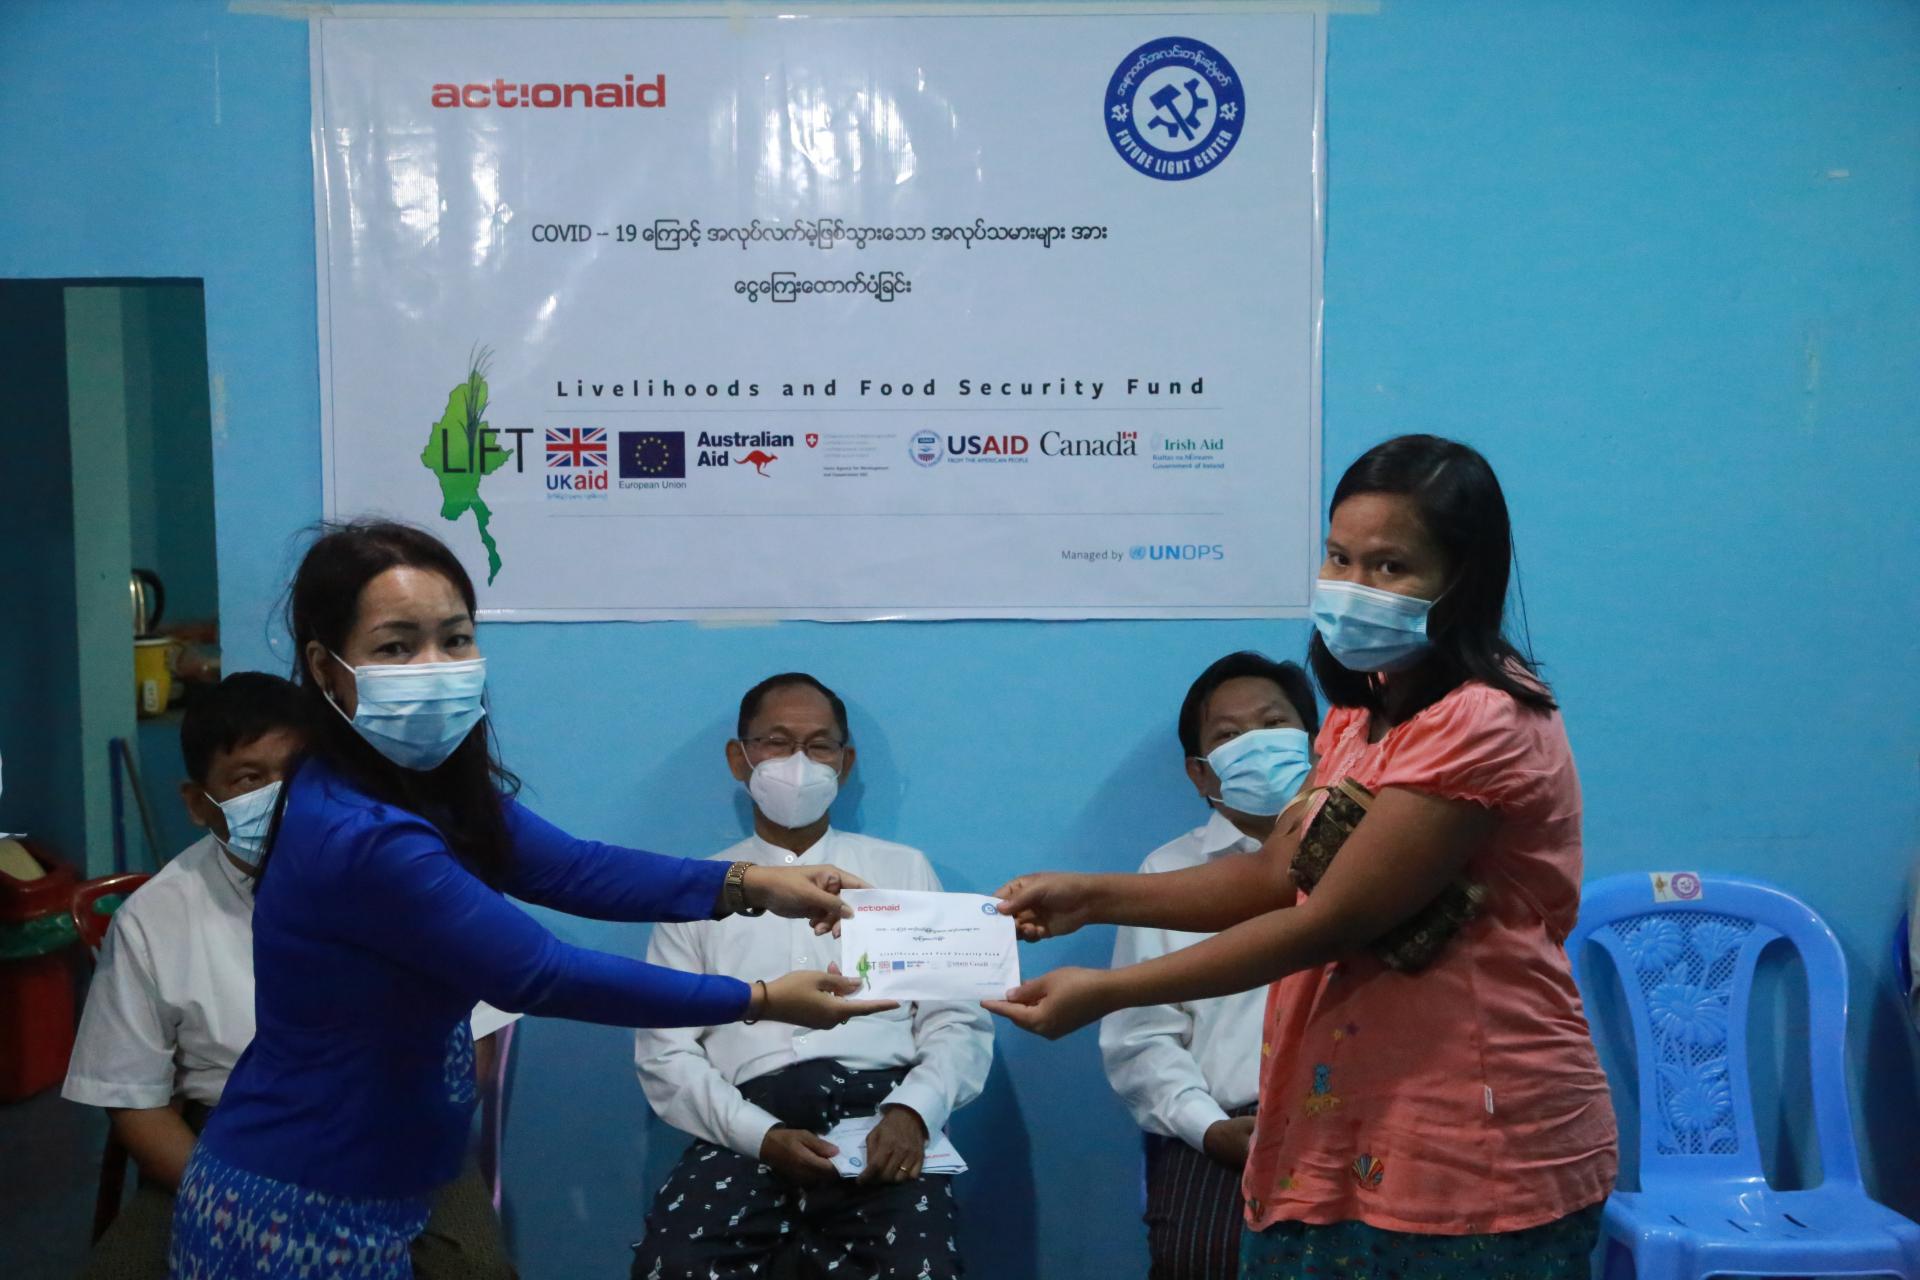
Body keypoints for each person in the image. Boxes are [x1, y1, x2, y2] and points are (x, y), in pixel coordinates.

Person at [170, 522, 896, 1280]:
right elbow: (541, 973)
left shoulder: (425, 786)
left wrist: (748, 885)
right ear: (327, 667)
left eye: (455, 639)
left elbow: (574, 869)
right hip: (297, 1206)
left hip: (381, 1184)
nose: (437, 666)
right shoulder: (361, 834)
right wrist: (760, 999)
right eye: (396, 647)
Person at [987, 436, 1618, 1279]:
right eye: (1340, 556)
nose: (1355, 587)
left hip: (1467, 1130)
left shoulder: (1483, 720)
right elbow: (1273, 872)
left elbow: (1327, 920)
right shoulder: (1359, 717)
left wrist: (1106, 992)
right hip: (1342, 1118)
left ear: (1462, 579)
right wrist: (1092, 896)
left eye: (1391, 567)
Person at [62, 673, 515, 1279]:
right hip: (223, 1142)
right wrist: (238, 1197)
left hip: (396, 1130)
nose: (284, 797)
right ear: (200, 804)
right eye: (250, 778)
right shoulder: (155, 919)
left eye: (302, 770)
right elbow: (133, 1105)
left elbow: (477, 1041)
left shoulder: (406, 874)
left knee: (474, 1270)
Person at [632, 673, 992, 1280]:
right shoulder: (696, 888)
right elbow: (665, 1054)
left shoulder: (900, 871)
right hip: (743, 1126)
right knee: (675, 1266)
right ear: (738, 759)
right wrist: (761, 1135)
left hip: (885, 1123)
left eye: (819, 745)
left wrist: (913, 1112)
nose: (798, 762)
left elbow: (956, 1018)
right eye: (776, 742)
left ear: (845, 763)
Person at [1100, 652, 1319, 1280]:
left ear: (1317, 740)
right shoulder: (1166, 877)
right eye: (1228, 736)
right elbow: (1140, 1042)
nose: (1255, 744)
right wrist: (1211, 1128)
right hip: (1225, 1138)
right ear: (1201, 775)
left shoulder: (1370, 853)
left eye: (1273, 724)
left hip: (1362, 1126)